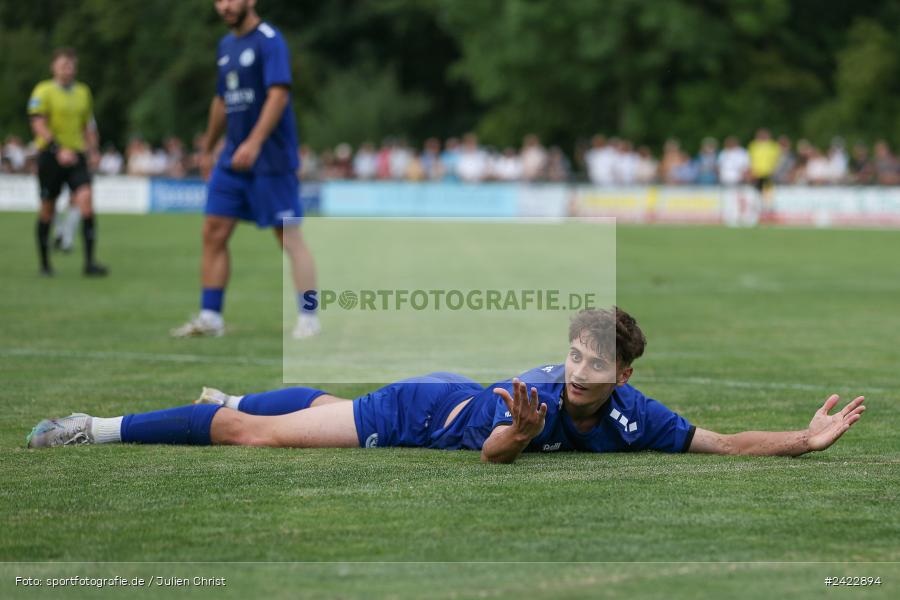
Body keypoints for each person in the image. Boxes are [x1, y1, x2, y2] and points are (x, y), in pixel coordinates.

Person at [27, 308, 866, 462]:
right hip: (420, 412)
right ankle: (93, 426)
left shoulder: (637, 414)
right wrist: (523, 434)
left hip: (439, 392)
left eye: (594, 364)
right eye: (573, 356)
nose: (578, 372)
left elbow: (718, 442)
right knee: (257, 437)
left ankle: (232, 397)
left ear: (624, 375)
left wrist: (801, 438)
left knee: (317, 407)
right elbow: (496, 456)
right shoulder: (533, 392)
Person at [171, 0, 319, 338]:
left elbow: (278, 95)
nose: (225, 5)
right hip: (231, 161)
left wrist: (254, 142)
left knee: (289, 237)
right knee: (213, 231)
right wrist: (208, 148)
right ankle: (211, 318)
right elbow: (222, 100)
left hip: (271, 160)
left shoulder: (270, 40)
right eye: (219, 0)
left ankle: (309, 318)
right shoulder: (226, 45)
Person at [28, 47, 107, 277]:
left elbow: (88, 125)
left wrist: (93, 149)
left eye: (72, 65)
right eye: (64, 65)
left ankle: (90, 263)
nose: (68, 69)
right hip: (51, 156)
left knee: (86, 202)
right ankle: (44, 264)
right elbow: (38, 123)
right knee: (47, 210)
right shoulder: (43, 90)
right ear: (54, 67)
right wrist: (56, 148)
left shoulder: (83, 92)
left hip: (77, 155)